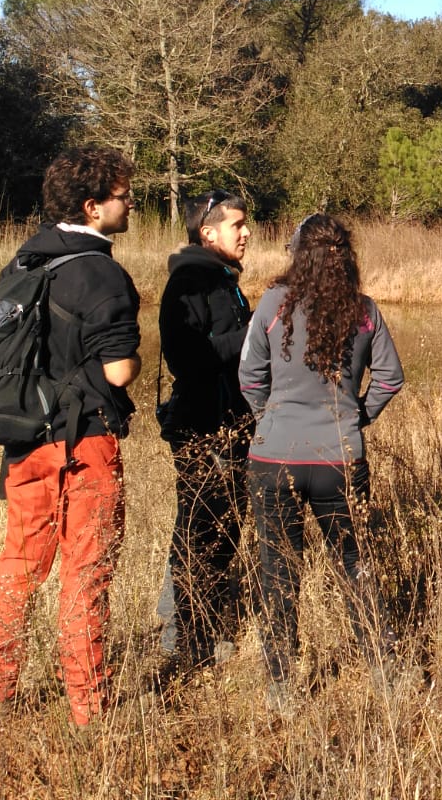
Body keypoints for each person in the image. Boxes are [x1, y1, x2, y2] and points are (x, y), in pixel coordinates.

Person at [0, 147, 141, 730]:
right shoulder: (100, 271)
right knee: (85, 575)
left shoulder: (25, 259)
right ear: (93, 207)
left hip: (25, 440)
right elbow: (118, 370)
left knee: (19, 565)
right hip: (85, 442)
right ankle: (89, 711)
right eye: (123, 195)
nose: (131, 203)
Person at [237, 214, 405, 713]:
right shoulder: (366, 311)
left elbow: (249, 377)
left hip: (273, 458)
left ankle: (282, 686)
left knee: (278, 571)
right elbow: (391, 379)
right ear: (346, 256)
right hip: (341, 458)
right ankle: (384, 671)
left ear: (297, 254)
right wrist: (356, 418)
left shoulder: (271, 305)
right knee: (355, 565)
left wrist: (269, 417)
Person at [155, 190, 253, 673]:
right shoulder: (190, 282)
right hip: (203, 427)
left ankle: (199, 625)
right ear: (208, 232)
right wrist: (253, 333)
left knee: (222, 527)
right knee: (200, 530)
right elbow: (187, 358)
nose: (247, 232)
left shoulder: (222, 279)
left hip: (230, 424)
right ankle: (184, 637)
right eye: (238, 225)